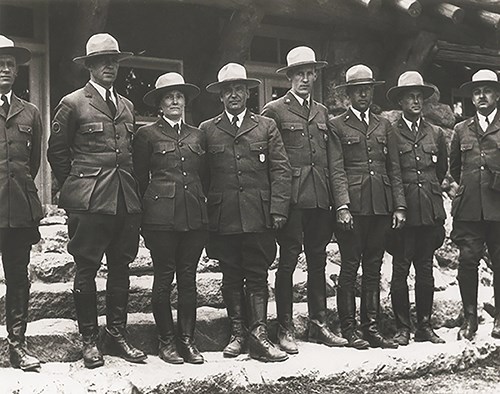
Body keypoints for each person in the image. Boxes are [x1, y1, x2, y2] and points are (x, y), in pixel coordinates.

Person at [47, 33, 146, 368]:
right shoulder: (73, 103)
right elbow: (56, 154)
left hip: (123, 200)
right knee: (87, 269)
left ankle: (116, 334)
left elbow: (128, 153)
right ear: (90, 66)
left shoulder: (128, 106)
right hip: (89, 203)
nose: (110, 66)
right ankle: (89, 340)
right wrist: (78, 186)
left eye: (115, 60)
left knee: (121, 268)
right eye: (103, 60)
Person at [200, 63, 291, 362]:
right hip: (224, 217)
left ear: (248, 93)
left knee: (257, 274)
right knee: (230, 275)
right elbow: (202, 176)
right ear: (221, 97)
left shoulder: (266, 126)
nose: (234, 95)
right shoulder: (208, 130)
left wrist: (278, 209)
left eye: (239, 89)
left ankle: (259, 333)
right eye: (228, 90)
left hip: (258, 215)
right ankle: (238, 333)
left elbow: (281, 169)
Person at [261, 46, 347, 354]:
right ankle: (285, 327)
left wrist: (340, 202)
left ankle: (317, 323)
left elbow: (332, 161)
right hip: (291, 200)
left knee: (318, 261)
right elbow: (269, 161)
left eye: (310, 74)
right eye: (300, 74)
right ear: (289, 77)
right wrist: (275, 204)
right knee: (287, 263)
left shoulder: (322, 111)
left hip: (319, 198)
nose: (306, 79)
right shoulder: (274, 110)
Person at [329, 64, 406, 349]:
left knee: (373, 268)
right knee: (350, 267)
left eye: (367, 89)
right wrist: (342, 207)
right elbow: (336, 170)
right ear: (348, 94)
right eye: (357, 90)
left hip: (381, 206)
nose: (363, 94)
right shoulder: (337, 125)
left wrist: (399, 206)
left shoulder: (384, 125)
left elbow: (394, 168)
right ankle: (350, 331)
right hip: (354, 208)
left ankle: (371, 329)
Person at [133, 73, 206, 364]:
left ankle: (187, 341)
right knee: (164, 278)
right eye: (168, 97)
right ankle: (166, 343)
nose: (175, 101)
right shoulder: (146, 135)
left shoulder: (197, 134)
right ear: (160, 105)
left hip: (194, 217)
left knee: (188, 279)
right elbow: (138, 178)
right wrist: (142, 217)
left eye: (179, 96)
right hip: (160, 218)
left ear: (185, 101)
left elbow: (206, 177)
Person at [386, 71, 447, 346]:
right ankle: (402, 328)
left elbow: (442, 169)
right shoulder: (391, 132)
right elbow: (391, 172)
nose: (415, 101)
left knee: (426, 270)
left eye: (419, 96)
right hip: (403, 211)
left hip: (429, 211)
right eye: (410, 96)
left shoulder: (435, 132)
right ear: (400, 101)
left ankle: (424, 325)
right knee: (400, 269)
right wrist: (398, 206)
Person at [0, 35, 43, 371]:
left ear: (17, 71)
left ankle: (18, 346)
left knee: (19, 279)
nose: (4, 69)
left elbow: (33, 164)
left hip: (18, 211)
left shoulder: (30, 112)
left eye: (10, 64)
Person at [450, 69, 500, 341]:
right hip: (469, 208)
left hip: (498, 207)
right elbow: (455, 168)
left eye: (488, 90)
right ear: (472, 97)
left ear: (497, 95)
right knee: (467, 261)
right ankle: (470, 318)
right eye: (477, 91)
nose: (482, 96)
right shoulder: (461, 129)